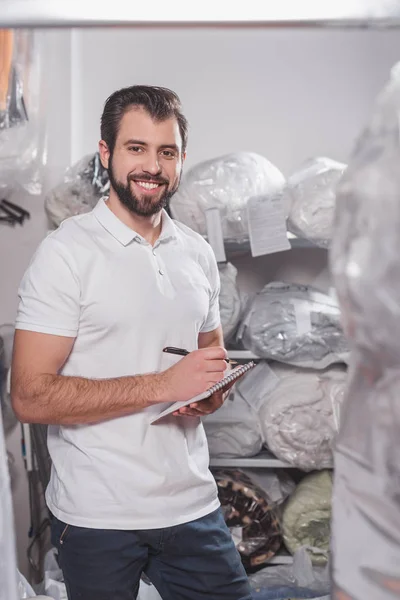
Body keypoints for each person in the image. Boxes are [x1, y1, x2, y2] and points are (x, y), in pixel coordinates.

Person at [10, 85, 252, 600]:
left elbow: (208, 358)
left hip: (191, 503)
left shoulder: (197, 253)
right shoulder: (66, 254)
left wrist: (211, 390)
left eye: (167, 152)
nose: (153, 166)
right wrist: (163, 384)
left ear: (181, 161)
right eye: (136, 149)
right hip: (98, 515)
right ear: (107, 153)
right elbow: (29, 397)